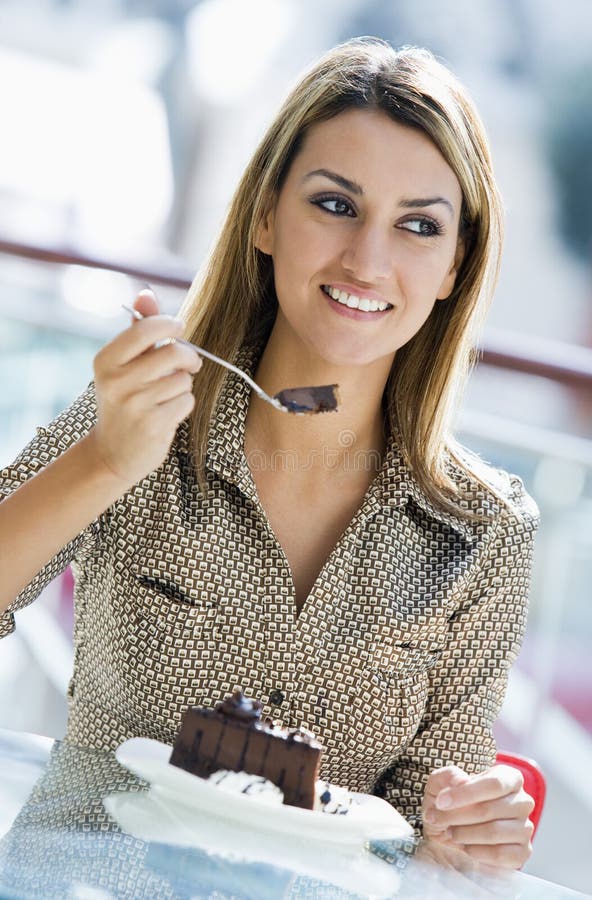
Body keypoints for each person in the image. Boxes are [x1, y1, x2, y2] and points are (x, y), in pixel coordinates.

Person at [0, 37, 538, 869]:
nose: (368, 259)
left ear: (452, 265)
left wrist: (470, 829)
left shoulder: (484, 531)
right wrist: (104, 462)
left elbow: (429, 827)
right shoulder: (140, 425)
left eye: (419, 225)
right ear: (264, 214)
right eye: (334, 205)